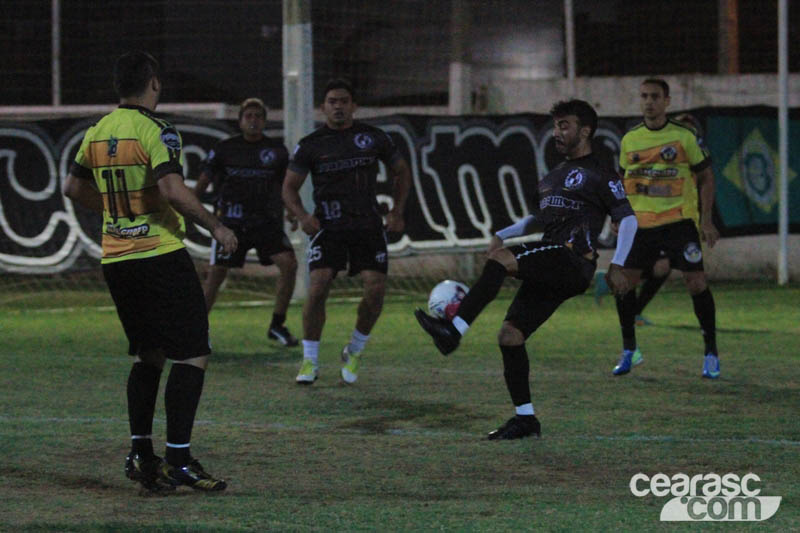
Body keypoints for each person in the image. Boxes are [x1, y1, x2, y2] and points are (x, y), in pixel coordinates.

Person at [62, 51, 237, 494]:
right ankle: (178, 459)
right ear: (154, 83)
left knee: (149, 354)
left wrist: (118, 210)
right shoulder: (155, 129)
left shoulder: (97, 131)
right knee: (193, 350)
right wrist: (216, 226)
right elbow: (172, 189)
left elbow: (72, 187)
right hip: (158, 253)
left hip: (117, 259)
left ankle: (142, 454)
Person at [414, 100, 638, 440]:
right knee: (510, 336)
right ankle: (526, 419)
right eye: (556, 125)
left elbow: (629, 218)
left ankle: (454, 330)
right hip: (552, 263)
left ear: (586, 130)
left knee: (502, 260)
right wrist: (502, 234)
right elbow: (538, 220)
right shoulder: (552, 177)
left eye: (565, 125)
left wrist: (618, 263)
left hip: (571, 258)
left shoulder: (602, 174)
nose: (557, 132)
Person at [282, 79, 412, 385]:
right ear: (323, 107)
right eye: (331, 101)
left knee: (375, 288)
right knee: (318, 285)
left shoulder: (373, 137)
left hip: (367, 225)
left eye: (343, 101)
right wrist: (302, 216)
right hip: (329, 226)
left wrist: (397, 210)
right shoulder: (311, 144)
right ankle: (309, 361)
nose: (338, 106)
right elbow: (288, 187)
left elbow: (402, 172)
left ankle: (354, 350)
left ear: (353, 106)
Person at [611, 79, 720, 378]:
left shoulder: (684, 136)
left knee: (696, 283)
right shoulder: (630, 139)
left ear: (667, 101)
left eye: (655, 97)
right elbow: (622, 182)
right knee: (623, 284)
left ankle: (711, 352)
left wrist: (706, 219)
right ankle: (630, 351)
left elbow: (707, 177)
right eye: (644, 96)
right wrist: (618, 214)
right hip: (640, 225)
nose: (649, 102)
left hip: (678, 223)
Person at [194, 97, 299, 347]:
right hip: (231, 224)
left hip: (265, 223)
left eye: (258, 117)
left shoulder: (277, 151)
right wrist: (189, 207)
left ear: (264, 121)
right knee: (216, 275)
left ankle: (277, 325)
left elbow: (287, 186)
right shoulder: (225, 148)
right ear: (240, 120)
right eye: (249, 116)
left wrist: (292, 211)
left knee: (289, 264)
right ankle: (197, 331)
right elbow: (202, 183)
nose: (253, 121)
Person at [594, 112, 707, 327]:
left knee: (664, 267)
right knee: (662, 267)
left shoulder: (690, 156)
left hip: (682, 221)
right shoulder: (656, 155)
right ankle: (631, 310)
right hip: (656, 221)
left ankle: (620, 294)